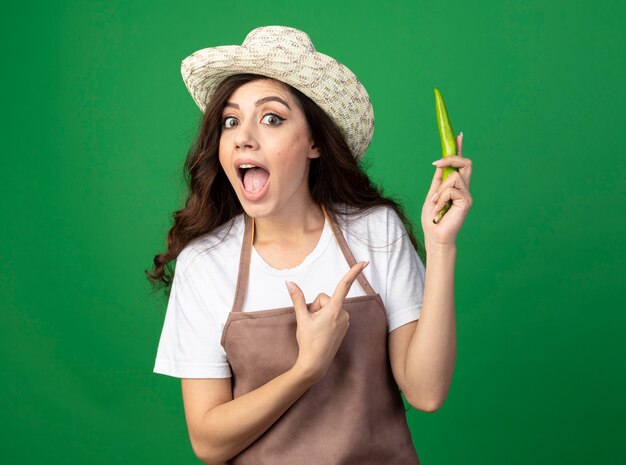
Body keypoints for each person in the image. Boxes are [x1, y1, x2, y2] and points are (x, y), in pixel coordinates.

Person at [147, 25, 473, 465]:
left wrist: (440, 248)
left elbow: (426, 391)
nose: (244, 136)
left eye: (272, 118)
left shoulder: (376, 232)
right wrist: (306, 369)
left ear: (315, 142)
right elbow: (208, 441)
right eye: (230, 120)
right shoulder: (204, 264)